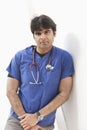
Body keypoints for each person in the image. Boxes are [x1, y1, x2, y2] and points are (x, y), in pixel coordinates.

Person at [4, 14, 74, 130]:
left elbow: (64, 93)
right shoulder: (20, 57)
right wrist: (27, 122)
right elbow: (10, 91)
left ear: (54, 33)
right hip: (18, 120)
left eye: (47, 32)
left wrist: (37, 116)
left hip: (44, 123)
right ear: (34, 36)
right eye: (38, 33)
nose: (43, 37)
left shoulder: (63, 58)